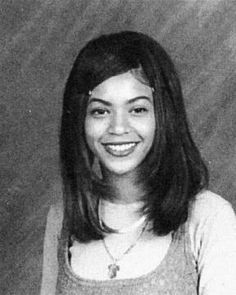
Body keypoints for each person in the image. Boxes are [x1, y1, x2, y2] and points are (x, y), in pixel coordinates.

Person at [41, 31, 236, 295]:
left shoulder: (209, 217)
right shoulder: (63, 218)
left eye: (137, 109)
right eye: (100, 111)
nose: (118, 128)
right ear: (80, 120)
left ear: (163, 116)